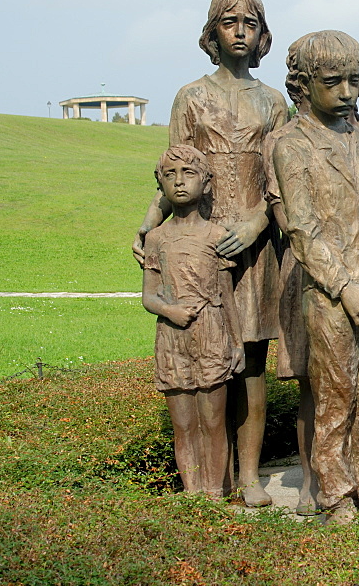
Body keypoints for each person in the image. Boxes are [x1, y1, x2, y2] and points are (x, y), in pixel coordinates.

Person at [133, 0, 287, 506]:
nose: (240, 31)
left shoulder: (273, 101)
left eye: (250, 22)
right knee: (206, 355)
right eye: (229, 22)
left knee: (252, 358)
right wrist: (148, 224)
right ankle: (209, 481)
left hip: (254, 242)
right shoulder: (191, 97)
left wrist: (257, 221)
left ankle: (248, 476)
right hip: (197, 246)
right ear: (212, 32)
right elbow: (171, 167)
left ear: (262, 33)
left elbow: (281, 178)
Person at [271, 30, 359, 524]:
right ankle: (336, 495)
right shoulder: (291, 146)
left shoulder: (357, 139)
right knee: (336, 398)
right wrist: (345, 286)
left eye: (355, 81)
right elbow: (302, 228)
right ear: (303, 85)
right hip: (330, 293)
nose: (348, 93)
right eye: (333, 82)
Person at [142, 145, 244, 499]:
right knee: (183, 424)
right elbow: (148, 296)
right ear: (161, 185)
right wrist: (169, 311)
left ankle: (215, 492)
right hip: (172, 339)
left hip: (212, 333)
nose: (179, 183)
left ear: (206, 181)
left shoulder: (217, 236)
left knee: (214, 421)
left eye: (188, 174)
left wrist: (238, 343)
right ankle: (192, 493)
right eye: (170, 176)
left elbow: (227, 295)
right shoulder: (156, 239)